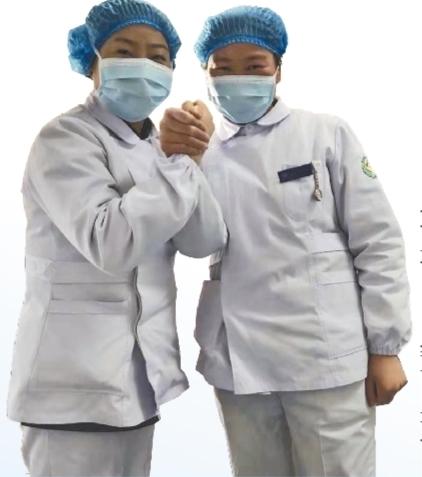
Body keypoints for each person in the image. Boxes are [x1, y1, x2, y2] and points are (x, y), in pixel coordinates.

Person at [159, 6, 412, 477]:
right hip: (240, 361)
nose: (238, 78)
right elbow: (188, 241)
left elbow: (377, 241)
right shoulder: (197, 148)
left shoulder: (324, 133)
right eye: (222, 67)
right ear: (205, 75)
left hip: (325, 357)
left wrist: (386, 346)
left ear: (278, 68)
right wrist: (181, 160)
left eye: (254, 65)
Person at [7, 1, 226, 476]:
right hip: (71, 387)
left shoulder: (155, 146)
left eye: (158, 57)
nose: (143, 65)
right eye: (124, 51)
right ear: (93, 62)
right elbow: (111, 244)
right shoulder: (64, 139)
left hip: (137, 383)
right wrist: (176, 163)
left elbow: (203, 240)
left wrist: (191, 157)